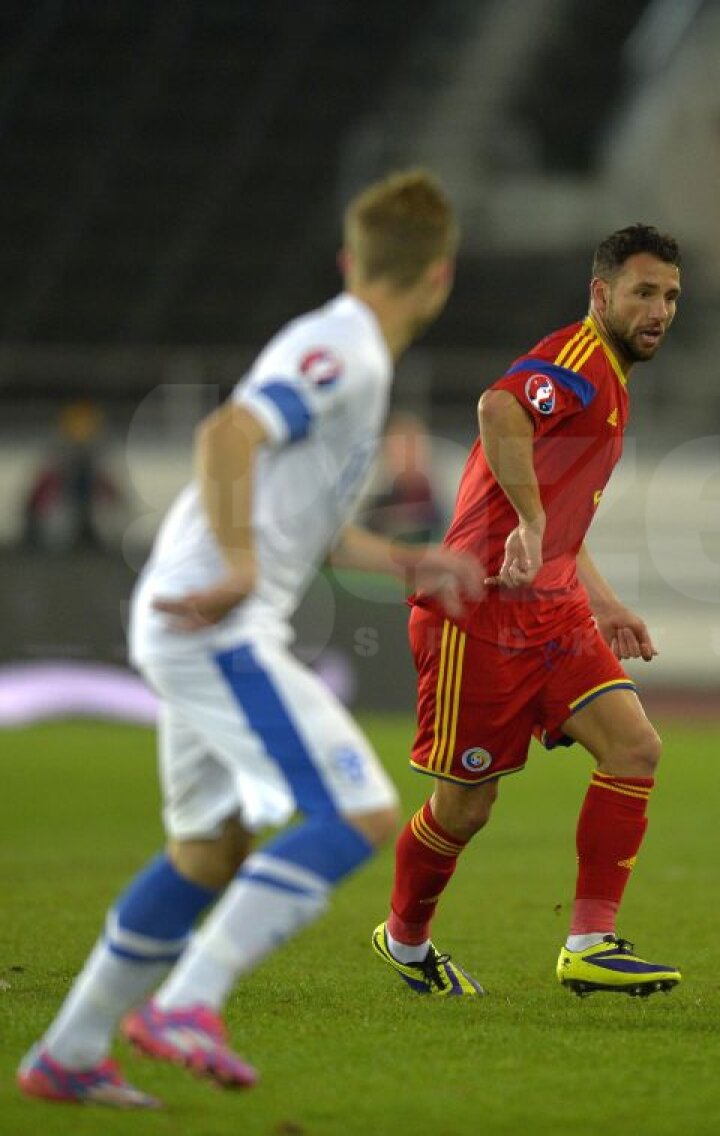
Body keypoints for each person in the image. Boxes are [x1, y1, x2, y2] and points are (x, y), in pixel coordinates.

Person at [16, 169, 483, 1109]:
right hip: (216, 624)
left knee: (209, 850)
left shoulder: (356, 358)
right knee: (357, 816)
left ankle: (67, 1052)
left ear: (353, 258)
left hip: (195, 617)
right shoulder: (341, 349)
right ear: (440, 277)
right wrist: (234, 565)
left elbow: (303, 520)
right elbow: (228, 434)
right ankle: (187, 1003)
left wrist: (406, 561)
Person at [371, 223, 683, 999]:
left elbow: (562, 510)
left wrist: (602, 599)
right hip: (475, 616)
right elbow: (497, 409)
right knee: (465, 808)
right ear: (600, 293)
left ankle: (589, 942)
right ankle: (405, 939)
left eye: (672, 296)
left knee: (635, 748)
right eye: (644, 292)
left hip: (554, 613)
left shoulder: (613, 377)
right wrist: (531, 524)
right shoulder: (576, 361)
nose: (660, 309)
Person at [21, 399, 125, 552]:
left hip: (79, 469)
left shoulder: (86, 452)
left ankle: (85, 530)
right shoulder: (62, 457)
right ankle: (37, 529)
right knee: (56, 493)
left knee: (83, 495)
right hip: (68, 467)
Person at [362, 410, 444, 544]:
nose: (408, 457)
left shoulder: (450, 504)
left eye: (413, 447)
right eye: (400, 449)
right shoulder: (377, 508)